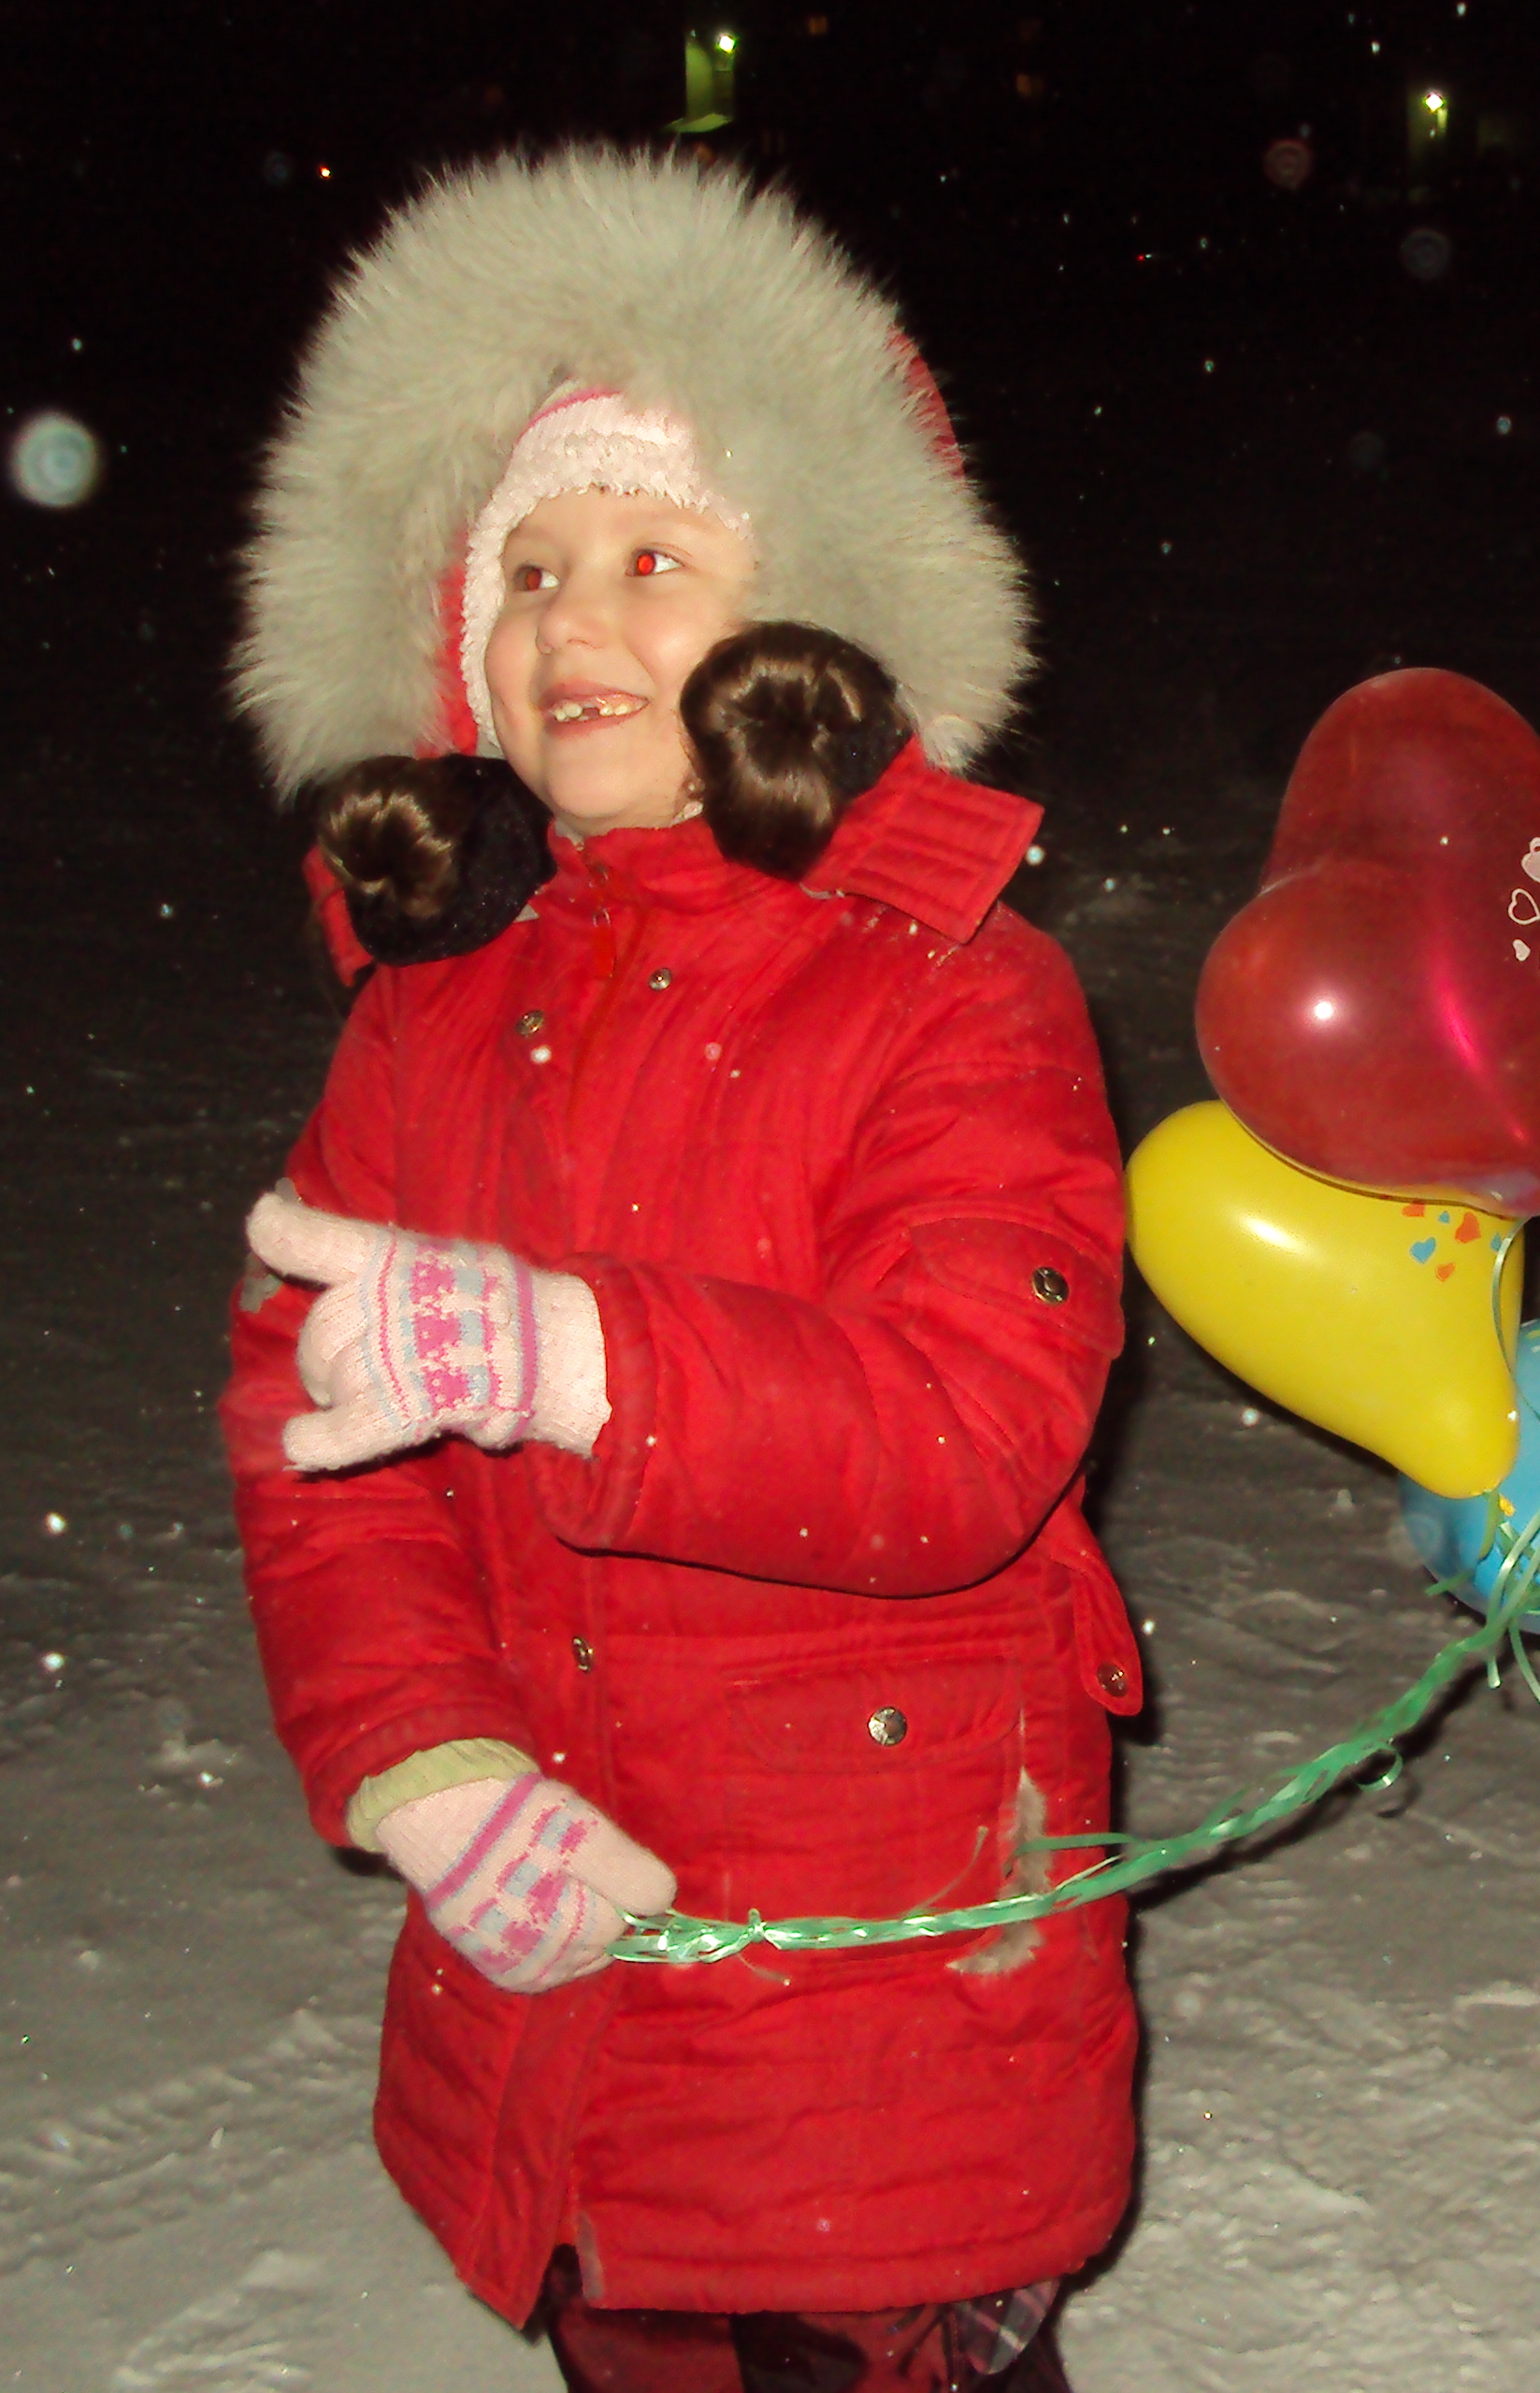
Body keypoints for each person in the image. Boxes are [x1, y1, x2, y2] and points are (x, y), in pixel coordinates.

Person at [219, 147, 1138, 2393]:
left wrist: (577, 1358)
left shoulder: (953, 984)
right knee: (626, 2325)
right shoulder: (426, 1017)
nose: (573, 623)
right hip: (561, 1952)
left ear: (800, 628)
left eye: (652, 559)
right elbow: (313, 1444)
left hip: (874, 1969)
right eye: (523, 571)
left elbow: (969, 1428)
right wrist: (427, 1763)